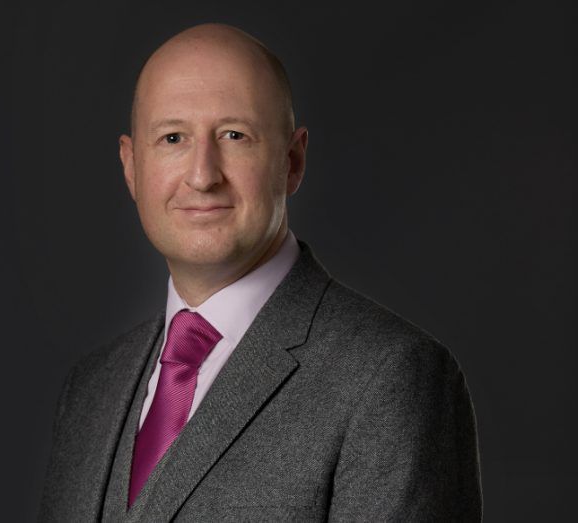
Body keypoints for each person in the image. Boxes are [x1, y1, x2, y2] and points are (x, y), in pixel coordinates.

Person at [38, 23, 482, 522]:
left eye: (234, 135)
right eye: (172, 137)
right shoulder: (92, 389)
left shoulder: (392, 378)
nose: (203, 175)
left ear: (292, 161)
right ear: (131, 166)